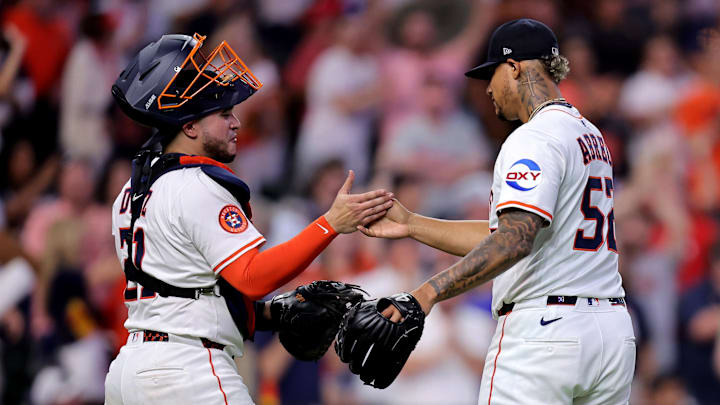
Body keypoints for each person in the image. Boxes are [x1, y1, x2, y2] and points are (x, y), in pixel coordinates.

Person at [104, 33, 393, 404]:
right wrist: (330, 223)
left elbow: (181, 290)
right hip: (188, 371)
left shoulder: (128, 191)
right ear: (189, 127)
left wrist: (272, 315)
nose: (237, 122)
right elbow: (252, 277)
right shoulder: (196, 185)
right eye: (223, 114)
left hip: (130, 370)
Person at [359, 19, 635, 404]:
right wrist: (412, 225)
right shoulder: (588, 132)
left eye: (492, 74)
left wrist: (427, 293)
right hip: (609, 333)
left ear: (515, 67)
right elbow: (512, 233)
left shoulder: (533, 137)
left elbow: (515, 240)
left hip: (546, 336)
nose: (488, 88)